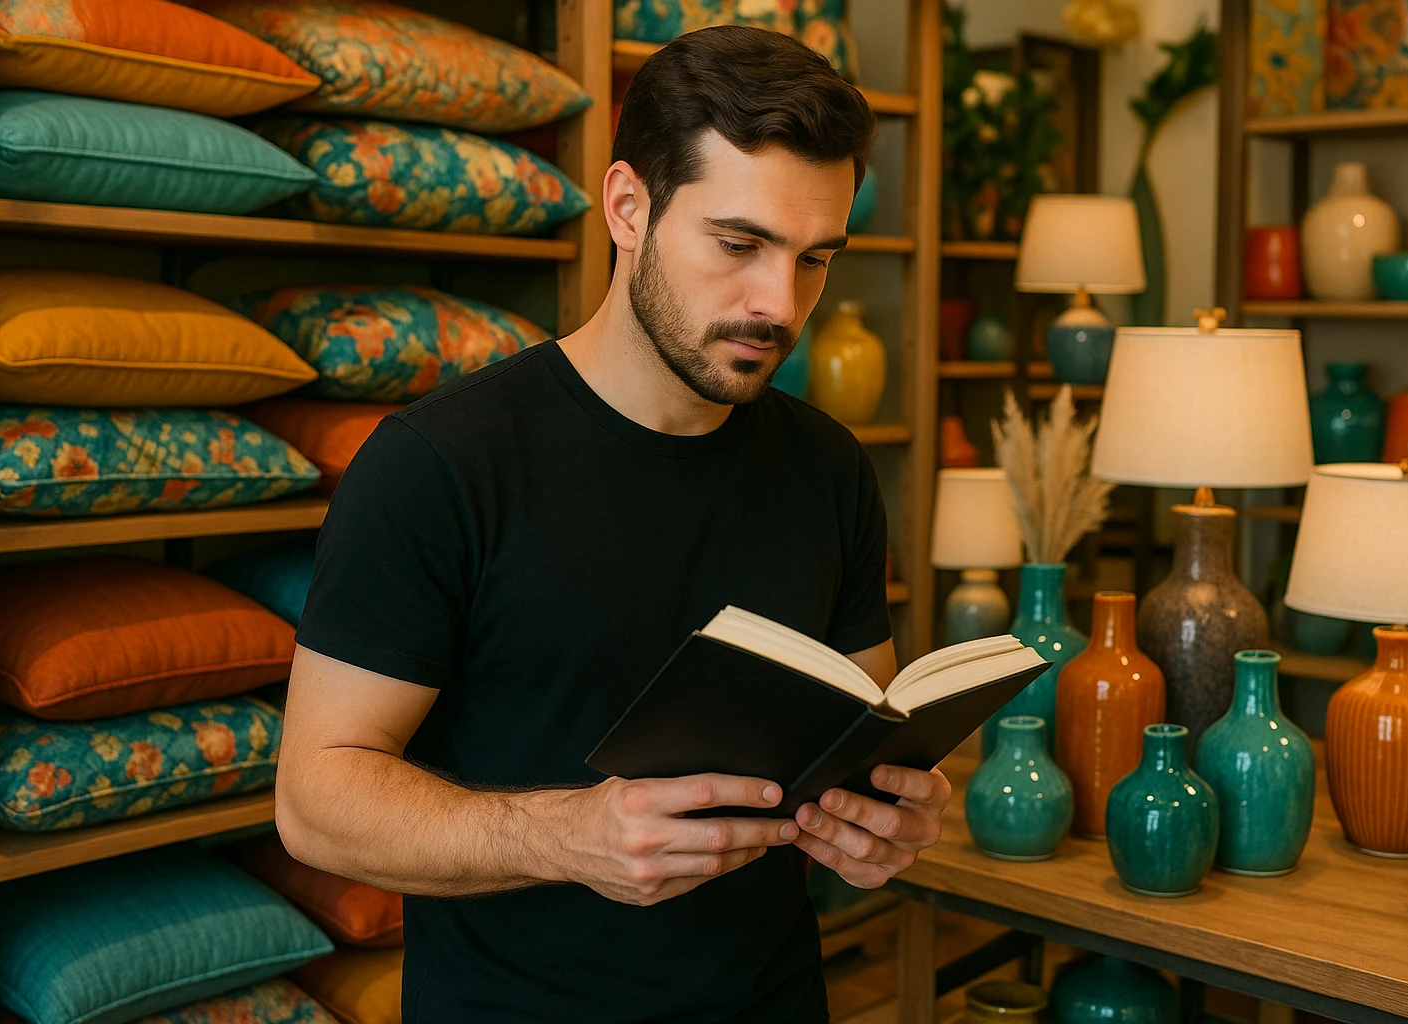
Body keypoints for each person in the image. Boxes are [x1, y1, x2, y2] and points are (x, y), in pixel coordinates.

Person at [278, 24, 952, 1023]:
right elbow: (315, 802)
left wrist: (880, 823)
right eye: (739, 244)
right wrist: (561, 835)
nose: (779, 303)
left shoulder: (829, 467)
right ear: (628, 206)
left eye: (814, 258)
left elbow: (854, 742)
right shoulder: (439, 465)